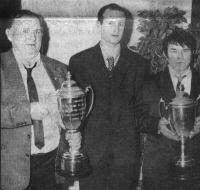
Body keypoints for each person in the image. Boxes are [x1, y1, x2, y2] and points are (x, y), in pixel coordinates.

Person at [60, 3, 149, 190]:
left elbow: (143, 110)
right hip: (91, 151)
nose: (116, 29)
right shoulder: (79, 61)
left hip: (126, 153)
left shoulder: (139, 64)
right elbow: (73, 111)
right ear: (99, 26)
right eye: (110, 23)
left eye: (121, 24)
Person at [1, 10, 80, 190]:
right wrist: (27, 111)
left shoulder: (60, 69)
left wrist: (73, 132)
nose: (33, 37)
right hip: (10, 170)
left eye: (37, 31)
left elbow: (70, 114)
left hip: (52, 165)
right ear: (9, 34)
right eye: (25, 31)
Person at [139, 29, 200, 190]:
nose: (179, 57)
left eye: (185, 50)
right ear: (165, 54)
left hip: (197, 168)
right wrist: (157, 126)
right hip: (159, 168)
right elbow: (137, 118)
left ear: (193, 53)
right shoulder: (149, 83)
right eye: (174, 50)